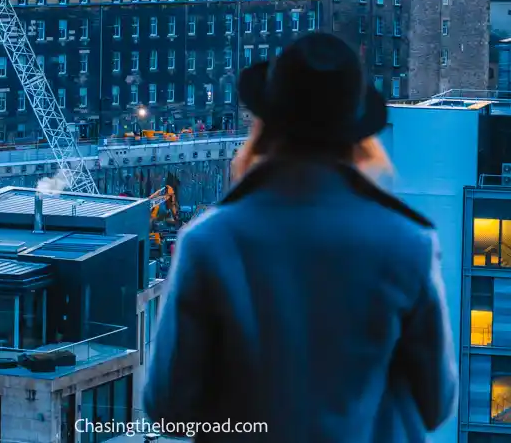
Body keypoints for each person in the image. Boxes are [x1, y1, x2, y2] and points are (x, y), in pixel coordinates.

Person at [143, 32, 457, 442]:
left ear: (265, 124)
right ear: (357, 136)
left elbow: (170, 410)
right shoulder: (408, 242)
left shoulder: (210, 241)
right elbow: (435, 404)